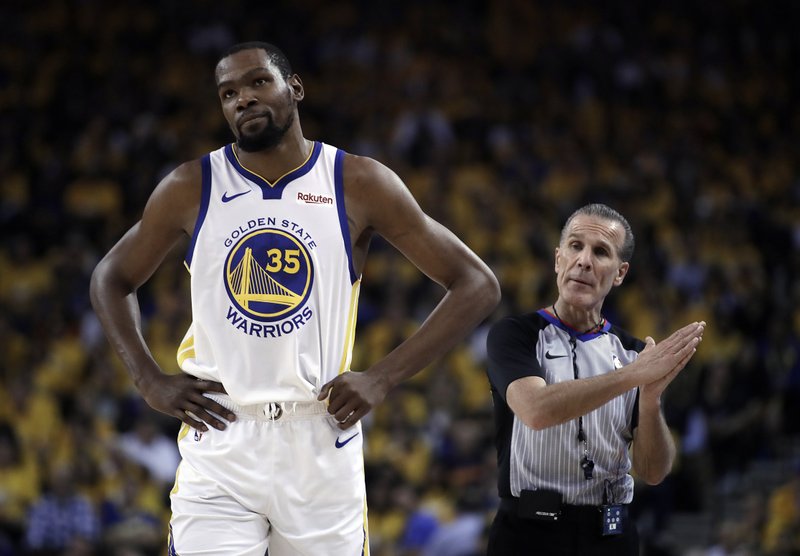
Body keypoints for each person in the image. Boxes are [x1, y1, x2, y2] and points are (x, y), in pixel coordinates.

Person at [89, 41, 499, 556]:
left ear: (295, 88)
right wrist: (147, 379)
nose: (243, 99)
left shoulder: (357, 180)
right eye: (229, 92)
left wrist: (382, 376)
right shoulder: (190, 186)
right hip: (222, 435)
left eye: (259, 82)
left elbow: (477, 284)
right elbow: (110, 277)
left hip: (319, 436)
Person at [484, 203, 705, 555]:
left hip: (610, 537)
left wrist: (649, 399)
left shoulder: (634, 353)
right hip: (529, 535)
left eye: (601, 252)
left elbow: (653, 471)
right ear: (558, 260)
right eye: (575, 246)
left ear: (620, 273)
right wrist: (630, 376)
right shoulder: (514, 334)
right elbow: (535, 410)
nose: (584, 260)